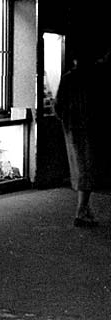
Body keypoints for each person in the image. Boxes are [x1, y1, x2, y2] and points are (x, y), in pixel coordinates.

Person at [55, 52, 102, 227]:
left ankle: (84, 208)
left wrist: (67, 120)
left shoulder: (69, 78)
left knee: (81, 168)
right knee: (86, 168)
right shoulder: (92, 79)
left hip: (73, 129)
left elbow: (58, 105)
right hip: (88, 128)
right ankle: (81, 211)